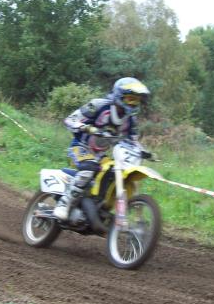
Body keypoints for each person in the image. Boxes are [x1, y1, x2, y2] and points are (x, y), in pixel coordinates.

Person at [53, 77, 151, 221]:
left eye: (136, 100)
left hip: (100, 154)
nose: (133, 104)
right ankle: (64, 203)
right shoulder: (99, 105)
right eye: (130, 99)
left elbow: (133, 140)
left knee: (114, 173)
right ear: (119, 96)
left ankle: (100, 206)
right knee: (88, 170)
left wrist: (143, 151)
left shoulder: (130, 119)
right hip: (81, 147)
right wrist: (87, 128)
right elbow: (70, 120)